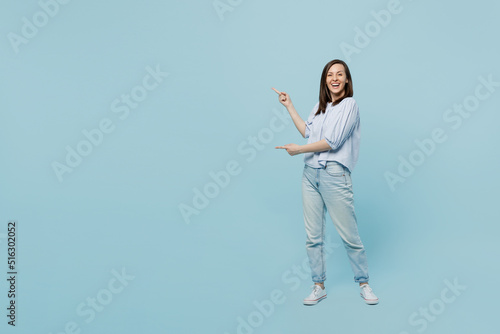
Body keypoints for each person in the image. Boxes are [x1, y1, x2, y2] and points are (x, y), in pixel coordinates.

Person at [272, 59, 378, 306]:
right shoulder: (320, 106)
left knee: (349, 235)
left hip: (334, 175)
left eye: (340, 74)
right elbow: (307, 133)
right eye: (330, 74)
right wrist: (289, 106)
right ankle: (318, 285)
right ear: (325, 80)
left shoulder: (350, 105)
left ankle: (364, 283)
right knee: (313, 236)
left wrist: (299, 151)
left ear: (347, 80)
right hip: (310, 174)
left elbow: (333, 142)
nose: (335, 78)